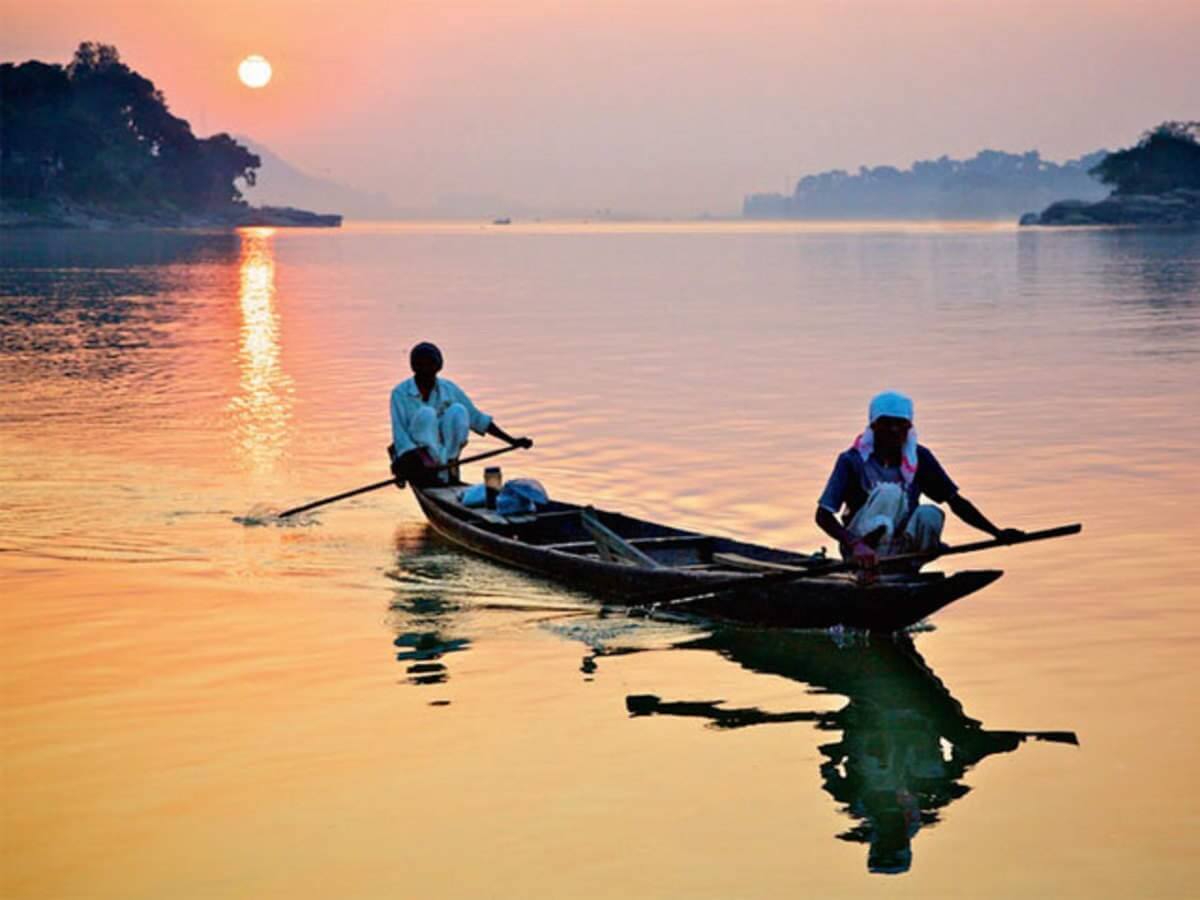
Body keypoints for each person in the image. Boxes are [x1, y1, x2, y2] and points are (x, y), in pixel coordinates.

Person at [815, 391, 1023, 572]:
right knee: (890, 493)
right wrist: (856, 544)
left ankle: (909, 564)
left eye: (901, 424)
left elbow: (956, 502)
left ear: (909, 426)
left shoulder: (920, 457)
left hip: (901, 551)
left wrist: (997, 533)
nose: (894, 430)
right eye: (887, 423)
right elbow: (823, 515)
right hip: (862, 550)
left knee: (930, 514)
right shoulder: (852, 460)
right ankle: (869, 569)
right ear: (874, 425)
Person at [389, 342, 531, 486]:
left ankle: (448, 467)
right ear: (414, 367)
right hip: (417, 458)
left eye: (430, 365)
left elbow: (477, 419)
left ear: (438, 367)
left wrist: (512, 441)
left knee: (458, 410)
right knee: (427, 414)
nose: (426, 370)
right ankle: (432, 473)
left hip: (445, 454)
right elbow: (400, 435)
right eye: (421, 365)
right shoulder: (400, 394)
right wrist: (409, 463)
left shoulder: (449, 389)